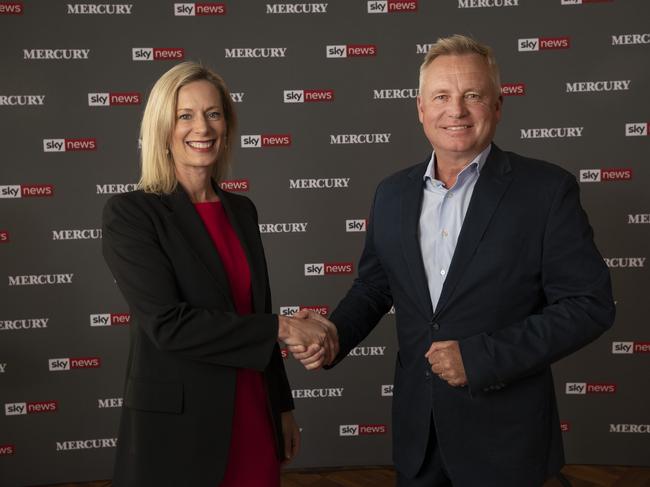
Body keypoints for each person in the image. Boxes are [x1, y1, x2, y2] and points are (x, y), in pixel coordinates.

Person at [291, 35, 615, 486]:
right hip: (418, 437)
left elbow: (589, 304)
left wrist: (482, 357)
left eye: (472, 96)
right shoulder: (392, 194)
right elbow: (374, 287)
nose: (456, 111)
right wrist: (334, 334)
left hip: (506, 441)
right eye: (441, 96)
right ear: (421, 108)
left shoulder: (545, 191)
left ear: (498, 105)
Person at [102, 61, 336, 487]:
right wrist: (283, 328)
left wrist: (281, 407)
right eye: (185, 115)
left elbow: (257, 311)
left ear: (227, 124)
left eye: (213, 113)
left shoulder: (241, 211)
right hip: (178, 428)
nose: (202, 128)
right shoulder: (132, 213)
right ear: (162, 128)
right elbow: (168, 325)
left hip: (253, 412)